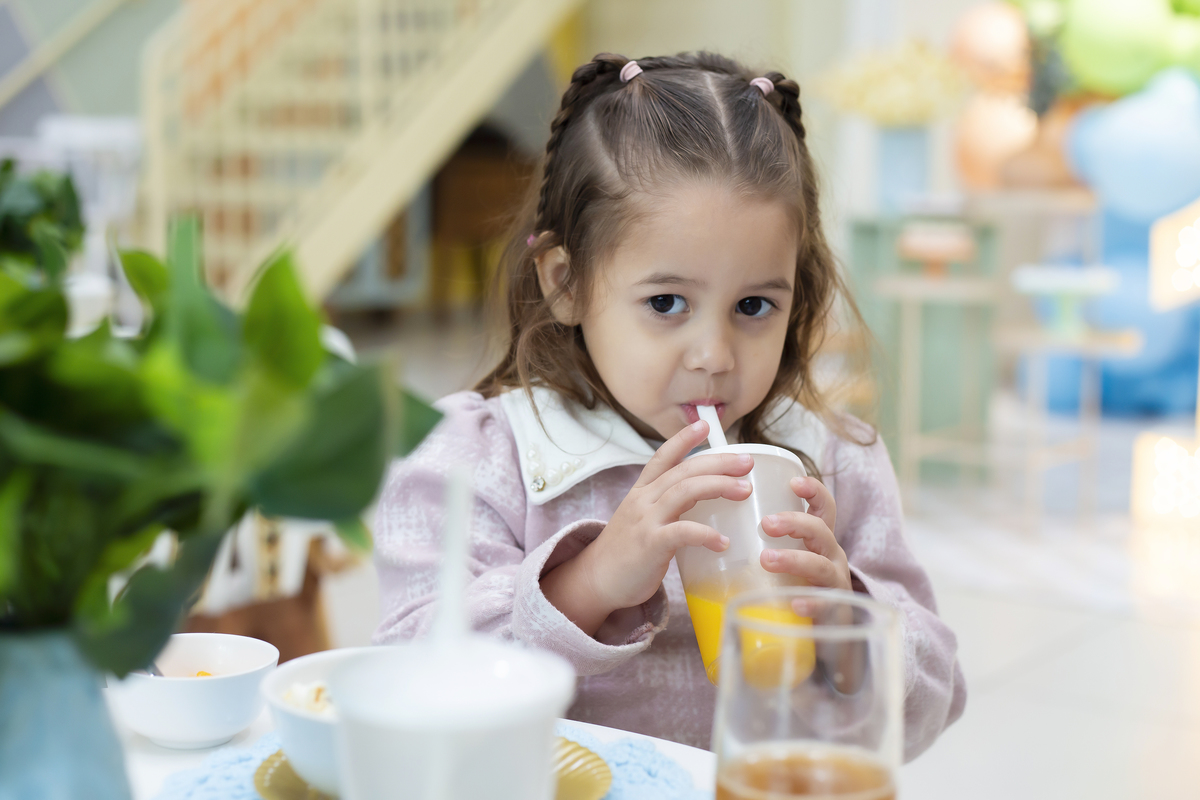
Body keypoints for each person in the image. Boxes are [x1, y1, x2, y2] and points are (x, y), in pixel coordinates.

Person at [373, 52, 965, 759]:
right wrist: (588, 583)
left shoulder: (833, 462)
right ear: (567, 282)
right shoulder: (475, 458)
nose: (713, 352)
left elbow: (933, 704)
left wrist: (849, 618)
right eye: (666, 303)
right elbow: (411, 679)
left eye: (753, 305)